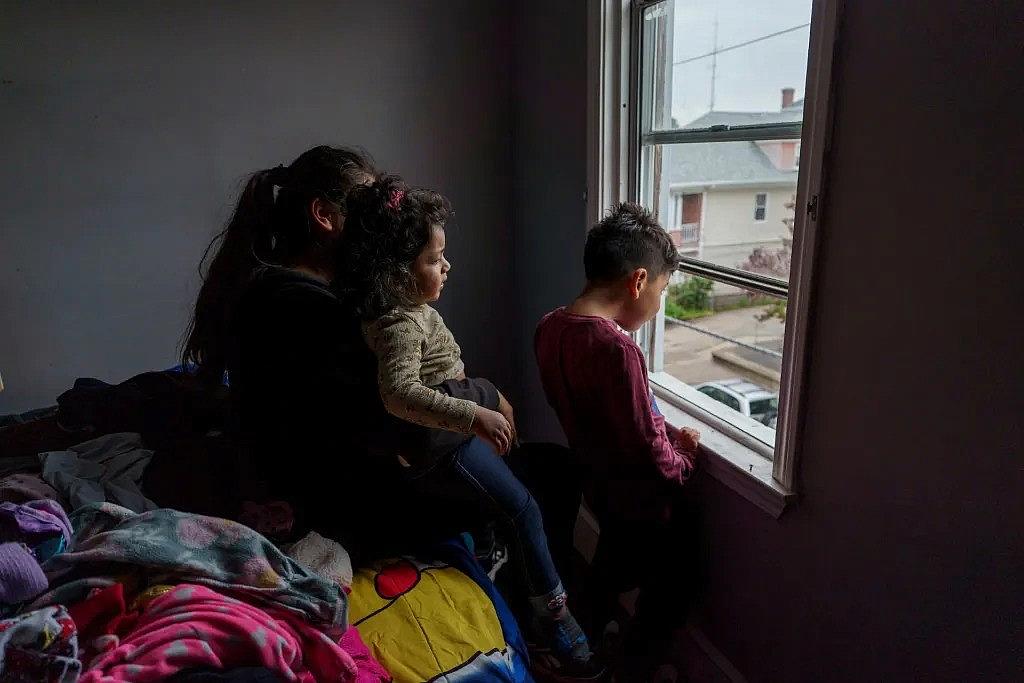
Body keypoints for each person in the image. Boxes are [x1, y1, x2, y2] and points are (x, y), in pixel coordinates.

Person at [336, 174, 601, 679]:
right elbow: (398, 394)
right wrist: (475, 412)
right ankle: (556, 620)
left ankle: (492, 567)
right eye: (435, 259)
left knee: (501, 513)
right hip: (446, 446)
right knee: (524, 509)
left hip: (447, 439)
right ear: (395, 269)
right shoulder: (399, 324)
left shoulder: (403, 310)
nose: (446, 266)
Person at [181, 145, 492, 556]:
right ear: (324, 216)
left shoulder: (284, 287)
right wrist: (486, 396)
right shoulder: (305, 308)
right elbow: (400, 423)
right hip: (329, 508)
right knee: (539, 483)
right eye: (366, 209)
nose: (383, 223)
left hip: (314, 479)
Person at [534, 202, 701, 680]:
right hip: (643, 499)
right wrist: (684, 456)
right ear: (639, 281)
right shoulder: (616, 347)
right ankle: (632, 668)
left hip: (599, 484)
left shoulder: (551, 327)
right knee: (674, 584)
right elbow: (648, 448)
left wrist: (662, 431)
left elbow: (615, 415)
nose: (659, 302)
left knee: (608, 570)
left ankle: (576, 650)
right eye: (662, 290)